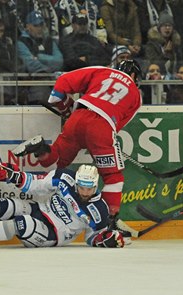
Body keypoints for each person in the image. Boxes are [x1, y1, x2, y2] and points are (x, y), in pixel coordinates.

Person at [11, 60, 142, 225]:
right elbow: (115, 127)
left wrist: (66, 109)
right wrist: (100, 144)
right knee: (113, 177)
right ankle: (108, 222)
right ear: (134, 76)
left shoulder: (101, 70)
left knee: (57, 162)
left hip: (77, 117)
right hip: (102, 127)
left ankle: (41, 149)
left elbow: (59, 89)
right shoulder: (137, 96)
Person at [0, 164, 125, 248]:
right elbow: (37, 184)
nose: (84, 192)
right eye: (81, 187)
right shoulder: (64, 177)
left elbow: (93, 237)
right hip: (40, 209)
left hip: (53, 234)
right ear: (76, 182)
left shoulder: (99, 209)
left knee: (22, 223)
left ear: (96, 185)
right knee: (8, 205)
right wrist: (13, 176)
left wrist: (105, 240)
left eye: (89, 188)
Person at [16, 10, 63, 104]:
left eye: (41, 25)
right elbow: (31, 65)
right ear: (28, 26)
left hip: (52, 82)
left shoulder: (48, 41)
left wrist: (40, 57)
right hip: (33, 83)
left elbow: (59, 61)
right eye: (36, 25)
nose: (39, 28)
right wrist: (50, 66)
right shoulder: (22, 42)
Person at [144, 10, 182, 76]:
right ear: (159, 28)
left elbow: (180, 63)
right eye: (164, 25)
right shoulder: (151, 45)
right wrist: (165, 54)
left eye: (170, 26)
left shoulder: (176, 44)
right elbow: (153, 65)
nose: (167, 28)